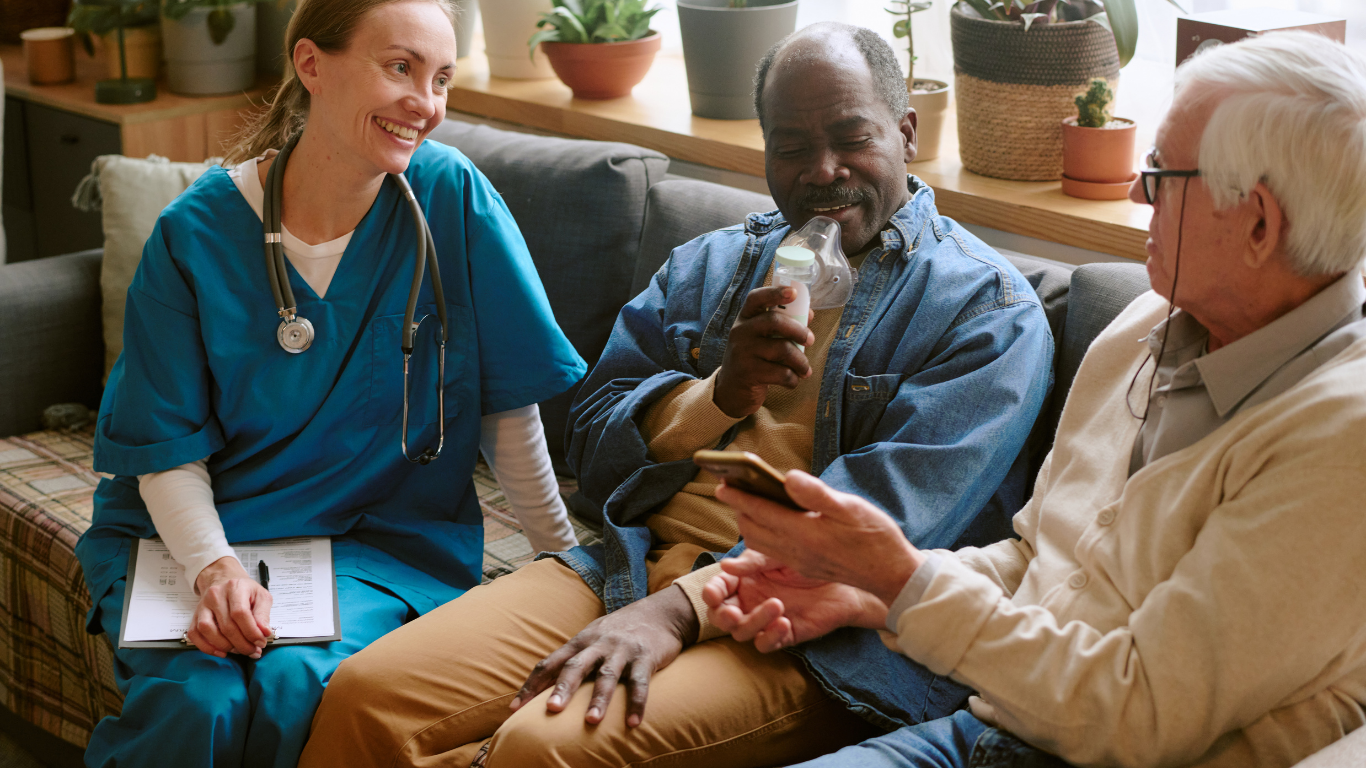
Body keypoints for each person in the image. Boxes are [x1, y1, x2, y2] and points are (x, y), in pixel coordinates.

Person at [300, 22, 1053, 768]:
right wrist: (719, 394)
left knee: (542, 748)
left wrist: (677, 610)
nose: (823, 171)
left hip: (806, 634)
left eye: (852, 138)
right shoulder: (713, 265)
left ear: (907, 133)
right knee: (367, 695)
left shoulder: (985, 314)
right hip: (628, 564)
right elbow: (590, 452)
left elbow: (872, 537)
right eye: (791, 147)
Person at [704, 31, 1366, 768]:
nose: (1137, 192)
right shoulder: (1147, 324)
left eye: (1163, 173)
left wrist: (904, 579)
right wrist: (873, 592)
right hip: (998, 727)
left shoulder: (1343, 439)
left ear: (1259, 223)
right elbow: (1037, 559)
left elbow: (1136, 714)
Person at [73, 0, 587, 766]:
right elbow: (162, 449)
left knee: (292, 684)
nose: (427, 104)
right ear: (311, 64)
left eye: (441, 78)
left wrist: (568, 573)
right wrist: (215, 572)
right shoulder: (194, 234)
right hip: (192, 537)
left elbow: (506, 405)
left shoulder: (451, 197)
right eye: (400, 67)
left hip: (378, 541)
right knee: (197, 699)